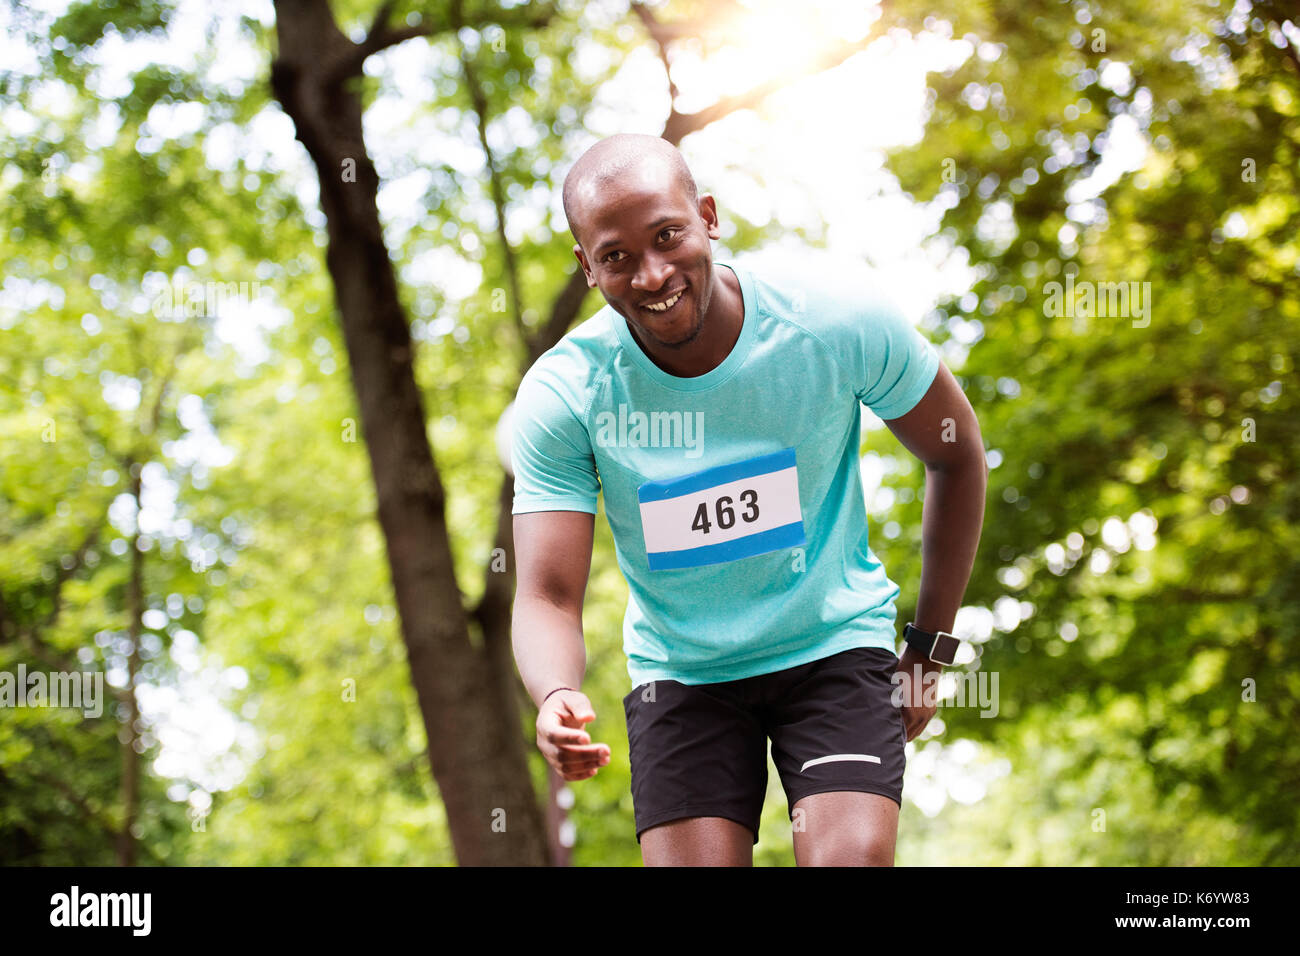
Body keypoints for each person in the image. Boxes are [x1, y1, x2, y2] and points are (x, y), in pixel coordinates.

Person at [510, 132, 987, 866]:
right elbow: (545, 594)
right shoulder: (567, 392)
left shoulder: (832, 320)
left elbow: (956, 455)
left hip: (831, 643)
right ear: (586, 266)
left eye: (668, 235)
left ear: (707, 216)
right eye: (616, 257)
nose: (652, 273)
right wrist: (553, 694)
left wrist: (926, 652)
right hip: (684, 670)